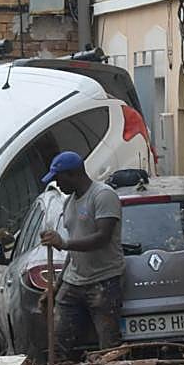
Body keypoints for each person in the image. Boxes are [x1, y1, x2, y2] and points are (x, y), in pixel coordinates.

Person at [38, 151, 126, 354]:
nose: (57, 185)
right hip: (74, 281)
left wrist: (63, 243)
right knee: (59, 341)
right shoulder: (69, 202)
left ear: (72, 174)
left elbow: (102, 237)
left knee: (108, 344)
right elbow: (73, 252)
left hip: (103, 280)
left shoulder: (103, 195)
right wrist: (55, 286)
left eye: (58, 179)